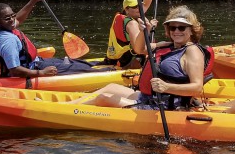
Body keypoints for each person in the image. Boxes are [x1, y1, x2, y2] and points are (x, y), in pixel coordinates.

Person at [75, 6, 212, 110]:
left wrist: (166, 87)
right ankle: (67, 106)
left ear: (192, 30)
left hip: (165, 107)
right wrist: (142, 31)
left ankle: (72, 112)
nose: (176, 31)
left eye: (182, 28)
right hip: (149, 97)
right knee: (110, 88)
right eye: (172, 27)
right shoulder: (167, 46)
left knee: (104, 98)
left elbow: (197, 88)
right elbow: (139, 49)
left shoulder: (192, 51)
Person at [0, 0, 95, 78]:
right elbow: (14, 70)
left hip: (37, 61)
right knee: (82, 69)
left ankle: (102, 62)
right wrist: (41, 73)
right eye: (7, 18)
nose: (12, 20)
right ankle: (106, 71)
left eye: (12, 16)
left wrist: (34, 0)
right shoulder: (7, 40)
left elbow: (18, 19)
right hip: (33, 68)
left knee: (71, 61)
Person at [104, 0, 161, 68]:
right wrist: (158, 46)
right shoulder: (131, 24)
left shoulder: (122, 16)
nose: (139, 8)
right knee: (158, 47)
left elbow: (145, 4)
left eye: (140, 5)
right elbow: (139, 49)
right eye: (135, 6)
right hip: (124, 62)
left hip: (114, 58)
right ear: (127, 9)